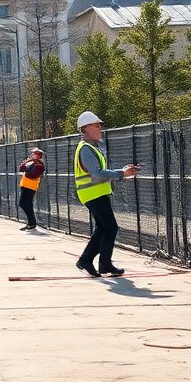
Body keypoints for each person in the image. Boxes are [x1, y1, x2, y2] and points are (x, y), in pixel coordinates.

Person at [73, 111, 139, 277]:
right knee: (110, 227)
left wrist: (122, 173)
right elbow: (97, 174)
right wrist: (121, 173)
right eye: (96, 126)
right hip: (93, 193)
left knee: (103, 228)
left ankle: (86, 260)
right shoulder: (86, 149)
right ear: (85, 128)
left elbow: (98, 173)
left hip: (94, 193)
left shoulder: (91, 148)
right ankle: (104, 264)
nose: (100, 129)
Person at [17, 147, 45, 230]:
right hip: (25, 185)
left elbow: (33, 175)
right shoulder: (31, 163)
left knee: (23, 204)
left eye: (34, 153)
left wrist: (27, 170)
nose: (32, 155)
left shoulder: (40, 165)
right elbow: (21, 168)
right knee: (26, 204)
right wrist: (26, 162)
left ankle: (32, 223)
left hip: (30, 187)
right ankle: (31, 223)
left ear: (39, 155)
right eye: (33, 153)